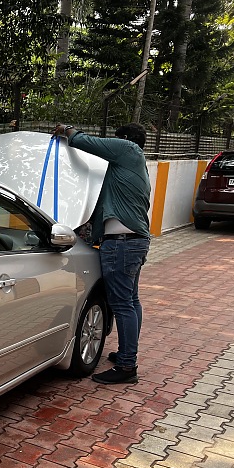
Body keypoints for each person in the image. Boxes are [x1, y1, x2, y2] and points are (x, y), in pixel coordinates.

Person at [53, 122, 152, 384]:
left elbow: (88, 143)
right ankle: (125, 355)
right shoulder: (133, 166)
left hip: (122, 244)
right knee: (131, 301)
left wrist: (68, 130)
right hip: (132, 242)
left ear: (125, 139)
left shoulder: (128, 149)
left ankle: (127, 367)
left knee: (122, 304)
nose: (111, 142)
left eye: (115, 139)